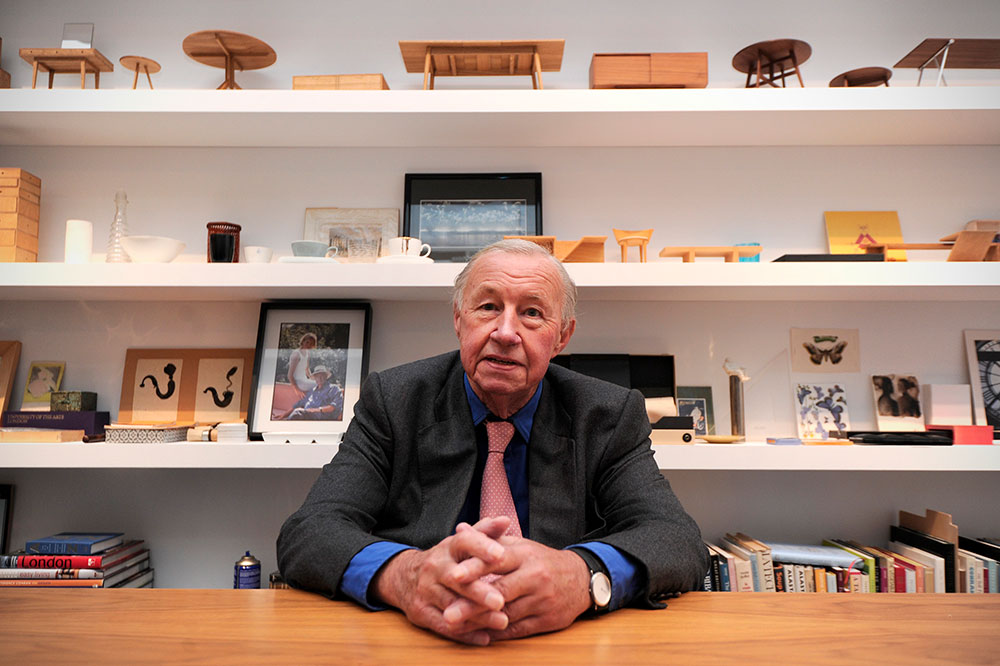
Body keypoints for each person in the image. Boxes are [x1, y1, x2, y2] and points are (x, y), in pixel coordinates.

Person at [277, 239, 707, 645]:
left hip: (564, 644)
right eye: (488, 307)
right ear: (458, 319)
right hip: (418, 639)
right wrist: (405, 575)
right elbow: (310, 531)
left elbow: (675, 538)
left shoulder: (607, 415)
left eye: (532, 313)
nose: (505, 332)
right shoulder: (394, 401)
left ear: (562, 337)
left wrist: (583, 576)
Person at [275, 365, 344, 421]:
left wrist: (315, 410)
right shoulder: (312, 391)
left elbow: (333, 407)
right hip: (307, 416)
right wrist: (283, 415)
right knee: (296, 413)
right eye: (317, 376)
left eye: (322, 375)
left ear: (326, 377)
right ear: (315, 378)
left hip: (322, 419)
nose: (320, 378)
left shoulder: (333, 389)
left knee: (297, 412)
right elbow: (298, 404)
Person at [287, 332, 318, 398]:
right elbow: (290, 375)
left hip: (304, 381)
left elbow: (307, 369)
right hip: (299, 383)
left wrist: (313, 378)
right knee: (320, 385)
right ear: (303, 341)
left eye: (311, 344)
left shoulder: (307, 353)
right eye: (307, 342)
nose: (309, 345)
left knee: (322, 383)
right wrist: (296, 389)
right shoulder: (296, 354)